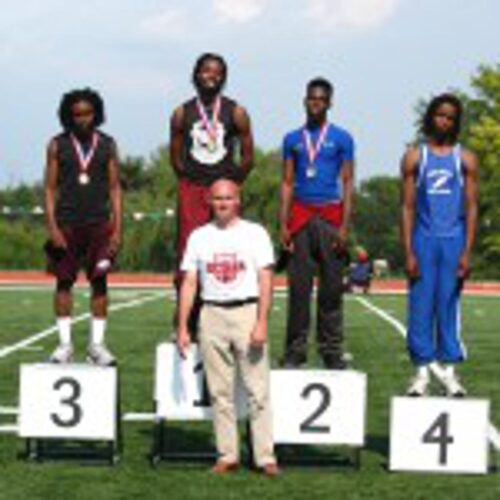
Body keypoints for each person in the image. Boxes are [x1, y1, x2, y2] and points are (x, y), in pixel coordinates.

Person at [176, 179, 279, 476]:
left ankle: (264, 456)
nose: (222, 203)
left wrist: (261, 322)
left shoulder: (255, 233)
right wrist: (183, 325)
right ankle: (227, 455)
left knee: (258, 390)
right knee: (220, 393)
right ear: (209, 201)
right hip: (211, 314)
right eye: (217, 198)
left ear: (238, 200)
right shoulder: (199, 236)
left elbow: (265, 279)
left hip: (246, 312)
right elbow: (190, 282)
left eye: (228, 198)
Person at [170, 53, 254, 337]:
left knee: (226, 251)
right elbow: (176, 156)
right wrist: (191, 180)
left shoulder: (237, 111)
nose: (211, 76)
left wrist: (231, 183)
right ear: (195, 74)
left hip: (223, 190)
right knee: (188, 253)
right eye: (206, 70)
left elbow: (248, 156)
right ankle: (184, 323)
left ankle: (227, 319)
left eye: (217, 72)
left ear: (224, 77)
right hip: (193, 189)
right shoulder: (182, 112)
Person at [401, 93, 478, 397]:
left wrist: (467, 251)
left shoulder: (466, 158)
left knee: (448, 304)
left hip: (453, 239)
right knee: (420, 306)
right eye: (439, 115)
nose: (444, 121)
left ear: (456, 122)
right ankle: (421, 375)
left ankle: (450, 374)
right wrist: (408, 250)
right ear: (430, 117)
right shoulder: (414, 157)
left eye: (450, 117)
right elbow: (406, 207)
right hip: (423, 239)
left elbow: (471, 207)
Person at [280, 78, 354, 369]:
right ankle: (295, 351)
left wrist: (345, 227)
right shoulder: (292, 139)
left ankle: (331, 350)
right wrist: (283, 223)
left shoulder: (343, 138)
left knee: (332, 289)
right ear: (304, 100)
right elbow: (287, 182)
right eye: (311, 98)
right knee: (298, 289)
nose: (316, 103)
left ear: (330, 103)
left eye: (321, 99)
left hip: (330, 215)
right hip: (299, 216)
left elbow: (347, 182)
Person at [44, 88, 122, 365]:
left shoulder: (108, 144)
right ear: (68, 116)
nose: (82, 119)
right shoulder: (57, 144)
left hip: (100, 224)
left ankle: (97, 345)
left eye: (88, 113)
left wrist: (118, 228)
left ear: (97, 114)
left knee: (99, 282)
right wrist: (52, 227)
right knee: (63, 282)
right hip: (67, 224)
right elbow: (50, 189)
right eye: (76, 114)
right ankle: (65, 345)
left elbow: (114, 188)